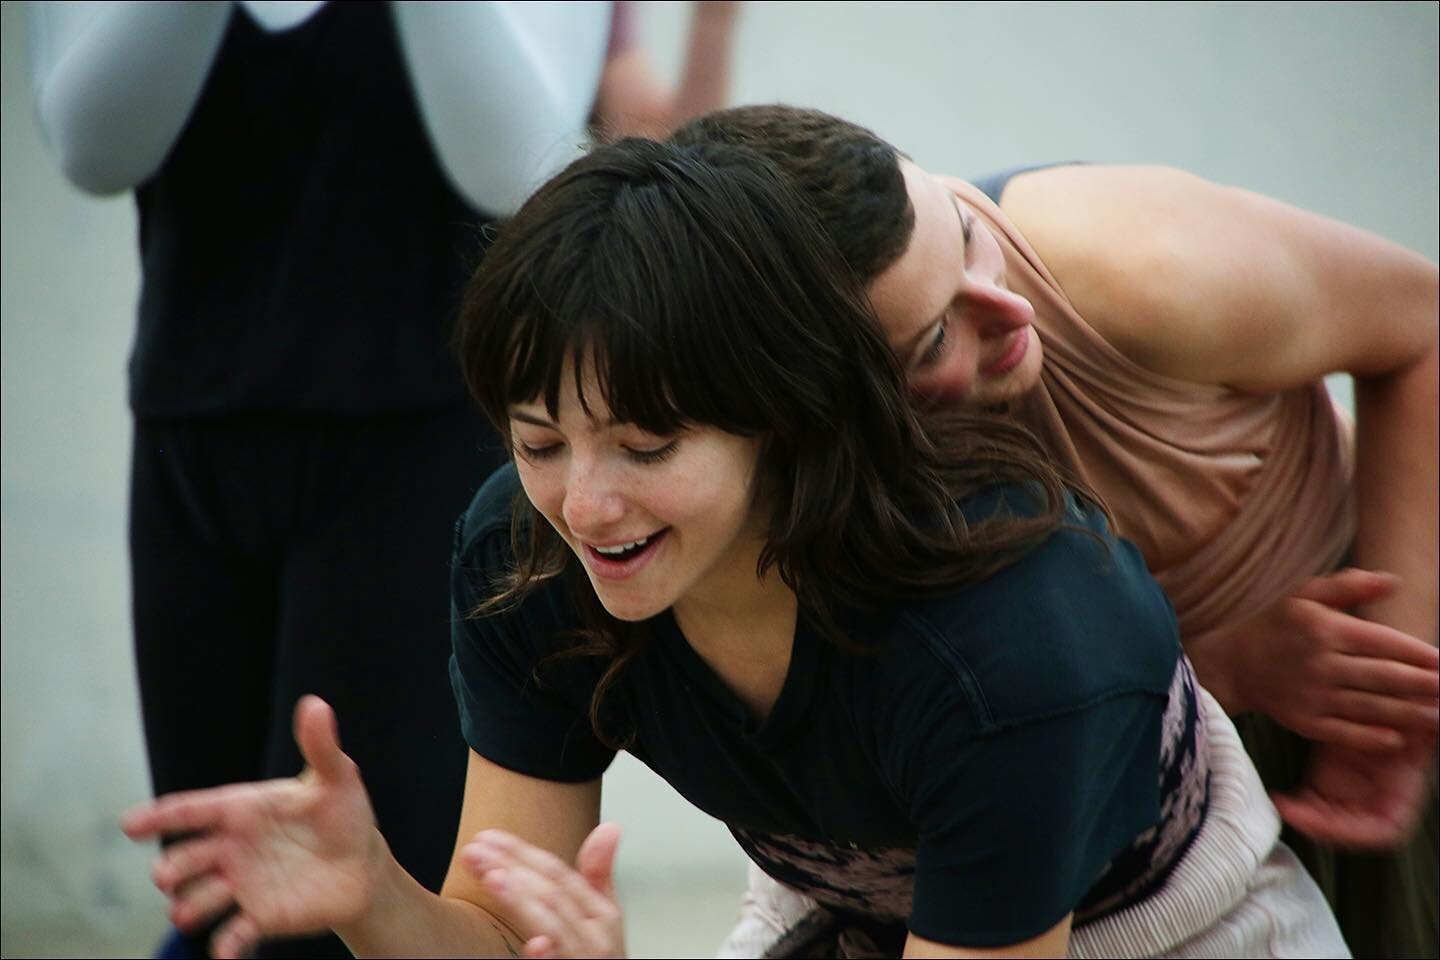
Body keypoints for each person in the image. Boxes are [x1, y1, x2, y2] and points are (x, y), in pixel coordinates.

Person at [122, 137, 1346, 959]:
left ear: (786, 414)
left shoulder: (1015, 641)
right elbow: (506, 934)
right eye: (539, 439)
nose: (586, 505)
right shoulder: (525, 552)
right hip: (849, 906)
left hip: (1177, 925)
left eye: (647, 446)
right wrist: (376, 896)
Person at [26, 3, 736, 957]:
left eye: (640, 450)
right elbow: (88, 146)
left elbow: (536, 160)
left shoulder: (508, 524)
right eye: (557, 452)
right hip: (190, 420)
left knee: (343, 900)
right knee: (224, 887)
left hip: (418, 446)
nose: (590, 503)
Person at [669, 104, 1439, 958]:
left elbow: (1423, 327)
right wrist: (1224, 662)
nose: (1008, 311)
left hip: (1367, 622)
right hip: (1130, 749)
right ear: (824, 411)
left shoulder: (1140, 265)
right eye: (932, 342)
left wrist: (1393, 694)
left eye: (964, 233)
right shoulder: (789, 477)